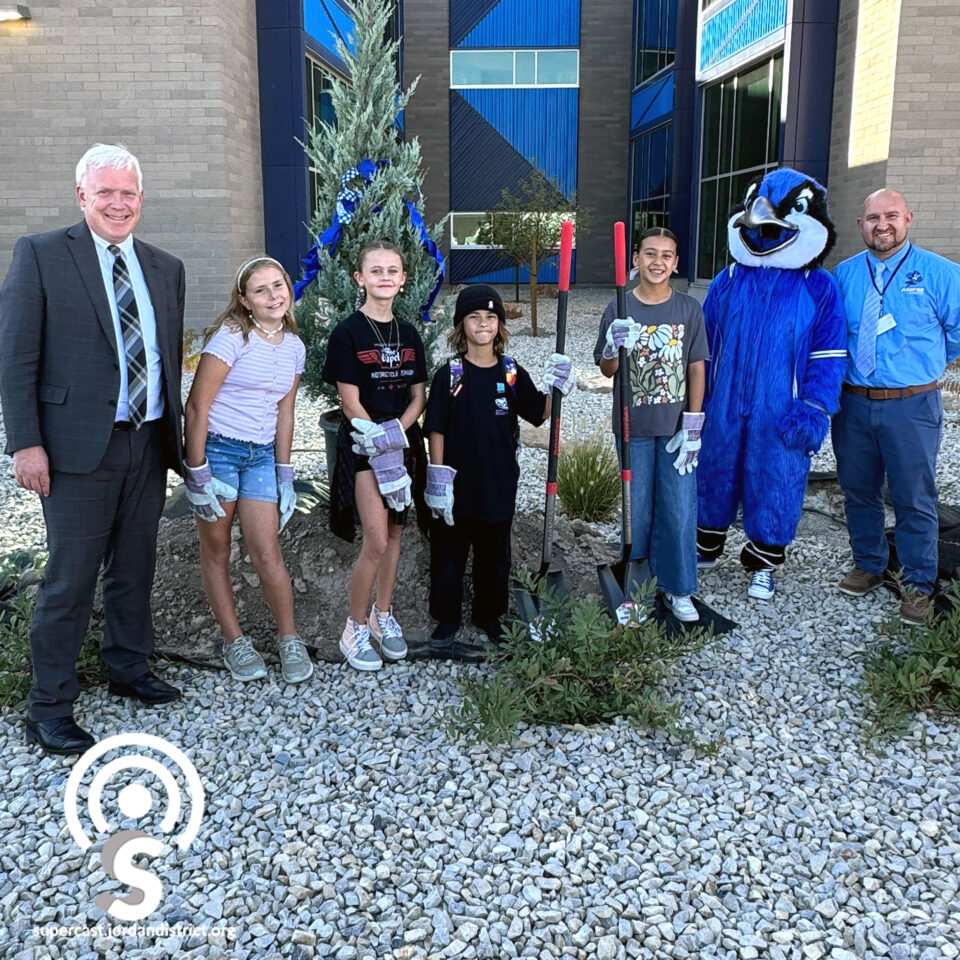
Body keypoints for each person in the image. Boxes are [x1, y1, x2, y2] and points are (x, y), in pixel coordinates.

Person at [0, 143, 185, 755]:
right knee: (70, 580)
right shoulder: (42, 255)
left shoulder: (164, 266)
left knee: (134, 571)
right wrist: (26, 443)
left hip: (149, 444)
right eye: (105, 192)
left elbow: (162, 358)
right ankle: (48, 706)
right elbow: (17, 357)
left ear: (141, 199)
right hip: (76, 451)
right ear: (82, 196)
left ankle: (128, 669)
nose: (117, 203)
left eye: (128, 193)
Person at [832, 189, 960, 625]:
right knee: (858, 490)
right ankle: (868, 564)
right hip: (853, 403)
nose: (881, 225)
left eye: (890, 216)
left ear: (908, 218)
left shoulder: (941, 273)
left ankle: (919, 583)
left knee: (913, 495)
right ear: (860, 225)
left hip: (912, 405)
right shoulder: (843, 276)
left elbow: (957, 332)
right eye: (871, 218)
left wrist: (925, 366)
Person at [423, 284, 573, 654]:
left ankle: (489, 615)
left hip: (498, 482)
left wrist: (560, 387)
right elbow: (436, 427)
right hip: (457, 486)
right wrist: (438, 478)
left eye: (491, 317)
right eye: (474, 317)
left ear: (500, 326)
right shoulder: (451, 374)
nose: (483, 324)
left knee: (495, 555)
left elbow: (539, 412)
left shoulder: (510, 373)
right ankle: (447, 617)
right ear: (462, 325)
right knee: (448, 552)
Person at [183, 257, 313, 683]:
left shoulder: (294, 345)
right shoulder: (232, 338)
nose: (274, 296)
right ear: (244, 299)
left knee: (266, 549)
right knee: (217, 549)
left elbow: (286, 412)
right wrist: (197, 469)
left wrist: (284, 470)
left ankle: (288, 638)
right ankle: (233, 640)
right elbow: (197, 405)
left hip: (259, 456)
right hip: (219, 451)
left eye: (279, 286)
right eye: (261, 290)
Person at [322, 241, 427, 671]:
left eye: (393, 271)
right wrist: (377, 438)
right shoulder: (348, 333)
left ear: (403, 281)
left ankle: (384, 617)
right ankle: (354, 627)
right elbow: (348, 401)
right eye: (376, 270)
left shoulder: (410, 333)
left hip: (402, 443)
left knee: (398, 536)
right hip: (364, 446)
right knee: (377, 539)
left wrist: (396, 433)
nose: (385, 277)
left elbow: (419, 396)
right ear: (359, 278)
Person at [593, 227, 708, 621]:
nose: (658, 262)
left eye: (667, 255)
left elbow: (696, 367)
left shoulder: (688, 309)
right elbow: (607, 369)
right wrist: (612, 345)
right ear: (636, 260)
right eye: (650, 253)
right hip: (632, 429)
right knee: (636, 512)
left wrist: (693, 423)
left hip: (677, 429)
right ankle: (637, 588)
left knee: (678, 508)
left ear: (676, 263)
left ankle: (678, 588)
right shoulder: (620, 306)